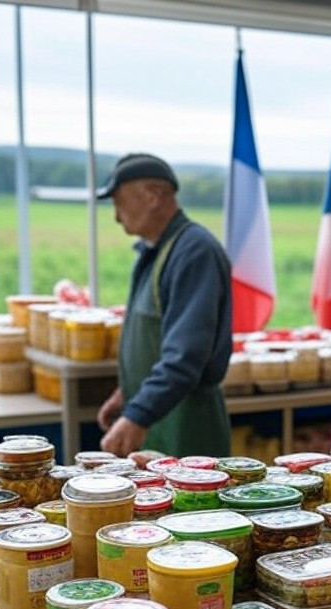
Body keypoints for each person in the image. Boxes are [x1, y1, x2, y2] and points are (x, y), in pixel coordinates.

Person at [96, 152, 232, 458]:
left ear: (153, 196)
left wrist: (138, 414)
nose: (116, 217)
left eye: (119, 203)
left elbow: (185, 355)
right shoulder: (157, 251)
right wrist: (129, 393)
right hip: (160, 413)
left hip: (186, 424)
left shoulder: (195, 252)